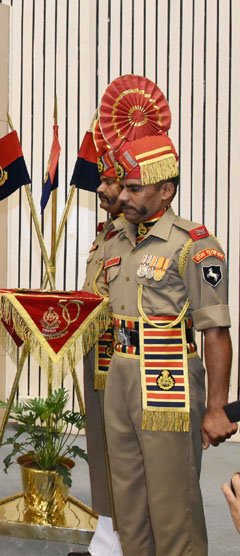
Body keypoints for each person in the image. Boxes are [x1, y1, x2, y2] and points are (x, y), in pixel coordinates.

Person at [101, 134, 235, 555]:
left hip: (167, 378)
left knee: (172, 503)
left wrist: (216, 408)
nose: (123, 196)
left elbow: (214, 329)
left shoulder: (192, 244)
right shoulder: (117, 239)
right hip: (120, 372)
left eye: (134, 189)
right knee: (129, 502)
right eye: (123, 187)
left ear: (166, 190)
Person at [68, 152, 123, 556]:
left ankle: (123, 540)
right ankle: (107, 539)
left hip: (126, 360)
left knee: (123, 452)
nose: (100, 188)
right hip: (97, 350)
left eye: (111, 182)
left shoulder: (138, 237)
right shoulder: (106, 233)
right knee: (101, 448)